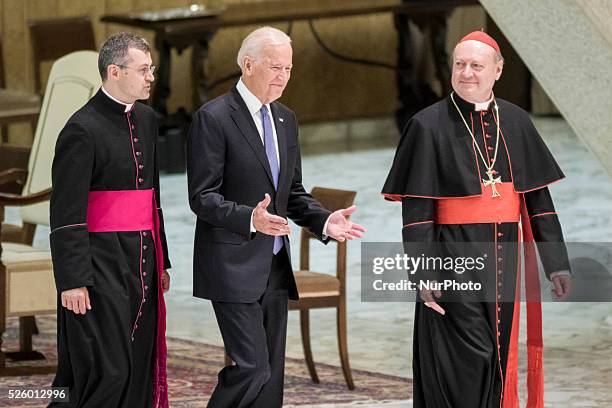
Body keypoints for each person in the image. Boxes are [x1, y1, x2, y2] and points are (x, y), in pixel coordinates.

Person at [382, 31, 572, 407]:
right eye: (459, 64)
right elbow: (417, 214)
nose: (466, 73)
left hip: (504, 256)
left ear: (497, 71)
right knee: (471, 354)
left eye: (476, 65)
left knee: (498, 353)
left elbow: (539, 203)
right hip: (454, 257)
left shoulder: (516, 121)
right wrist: (424, 273)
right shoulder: (426, 125)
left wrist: (557, 265)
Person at [187, 26, 365, 407]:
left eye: (288, 68)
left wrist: (324, 221)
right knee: (252, 367)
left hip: (273, 266)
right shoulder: (214, 118)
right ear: (248, 65)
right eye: (274, 67)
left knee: (271, 383)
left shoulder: (286, 119)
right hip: (231, 262)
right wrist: (251, 218)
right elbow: (202, 197)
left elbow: (293, 193)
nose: (283, 76)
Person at [49, 32, 171, 408]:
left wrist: (163, 258)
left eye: (151, 69)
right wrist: (72, 281)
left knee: (137, 363)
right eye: (143, 69)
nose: (151, 77)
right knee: (105, 368)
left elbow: (153, 198)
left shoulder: (148, 120)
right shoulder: (80, 130)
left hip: (142, 260)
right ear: (114, 71)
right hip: (99, 263)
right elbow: (66, 213)